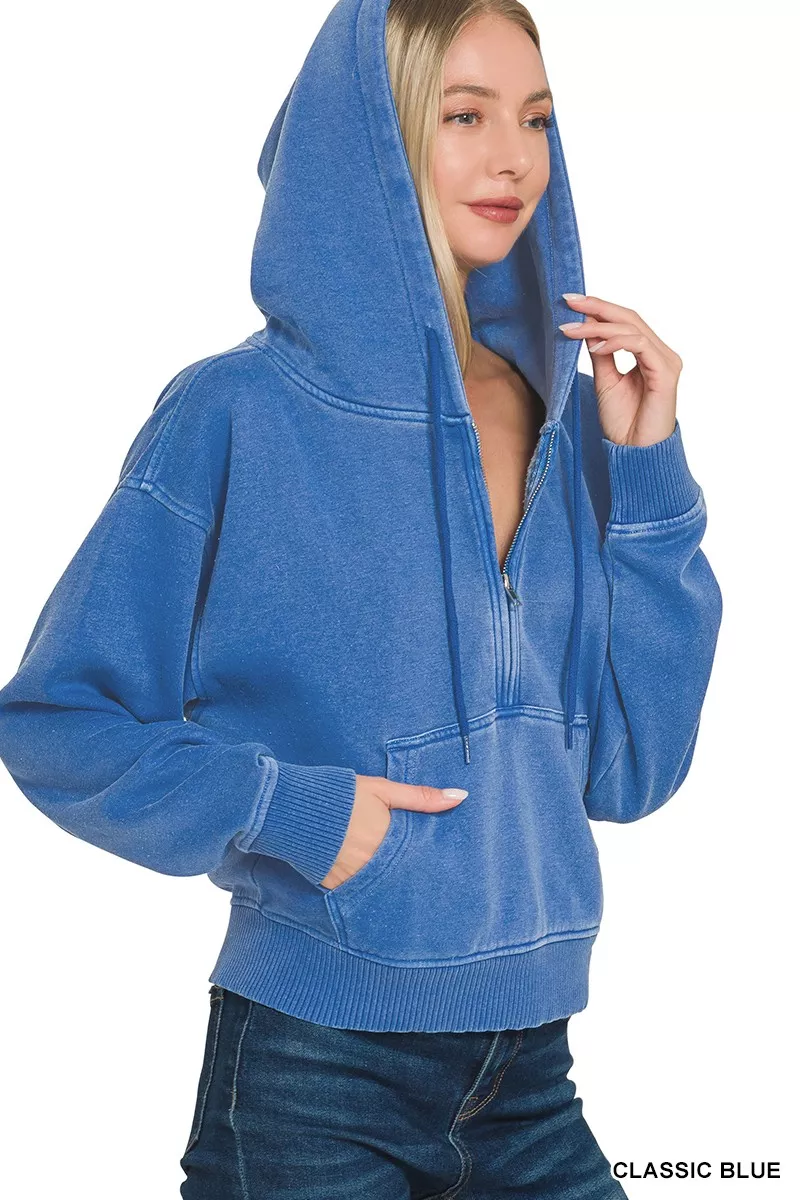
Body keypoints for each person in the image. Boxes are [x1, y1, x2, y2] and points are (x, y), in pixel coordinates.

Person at [0, 0, 723, 1195]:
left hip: (531, 1074)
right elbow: (56, 721)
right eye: (464, 115)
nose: (513, 158)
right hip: (313, 1077)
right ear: (372, 137)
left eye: (536, 118)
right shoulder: (235, 413)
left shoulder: (561, 419)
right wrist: (286, 808)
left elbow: (630, 771)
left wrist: (645, 476)